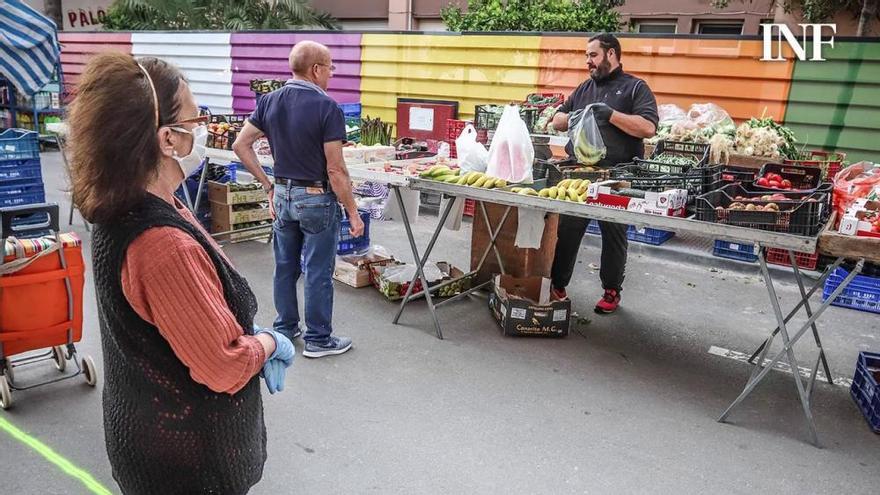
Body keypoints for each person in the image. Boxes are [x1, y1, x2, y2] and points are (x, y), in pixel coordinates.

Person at [67, 53, 294, 494]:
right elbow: (222, 367)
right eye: (196, 118)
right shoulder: (161, 243)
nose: (203, 128)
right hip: (188, 466)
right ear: (167, 139)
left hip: (149, 438)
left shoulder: (134, 202)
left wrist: (233, 328)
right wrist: (267, 343)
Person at [234, 40, 362, 358]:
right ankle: (318, 340)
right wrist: (353, 211)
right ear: (316, 69)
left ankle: (285, 330)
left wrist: (267, 185)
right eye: (330, 67)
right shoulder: (327, 108)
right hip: (316, 198)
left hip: (282, 194)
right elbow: (336, 169)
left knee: (284, 266)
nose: (331, 74)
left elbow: (240, 145)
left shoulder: (269, 101)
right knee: (318, 270)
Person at [550, 33, 659, 314]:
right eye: (587, 56)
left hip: (618, 175)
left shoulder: (636, 88)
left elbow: (647, 128)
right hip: (580, 173)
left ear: (611, 54)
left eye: (593, 55)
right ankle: (557, 286)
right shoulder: (585, 88)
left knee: (614, 232)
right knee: (568, 230)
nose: (588, 61)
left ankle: (612, 290)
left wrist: (610, 114)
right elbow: (557, 119)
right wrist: (567, 118)